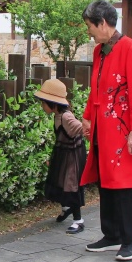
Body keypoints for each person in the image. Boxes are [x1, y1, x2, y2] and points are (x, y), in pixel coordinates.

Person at [79, 0, 132, 261]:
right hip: (101, 128)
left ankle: (129, 240)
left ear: (103, 23)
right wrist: (87, 117)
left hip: (122, 130)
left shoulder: (130, 49)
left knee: (122, 184)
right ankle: (111, 235)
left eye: (90, 26)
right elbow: (95, 87)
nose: (89, 32)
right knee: (105, 181)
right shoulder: (100, 51)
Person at [35, 78, 87, 234]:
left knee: (71, 185)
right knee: (58, 181)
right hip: (63, 152)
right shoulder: (57, 115)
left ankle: (79, 221)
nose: (42, 106)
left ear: (53, 103)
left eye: (43, 102)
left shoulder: (66, 116)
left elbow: (81, 128)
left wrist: (89, 128)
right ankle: (66, 208)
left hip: (73, 155)